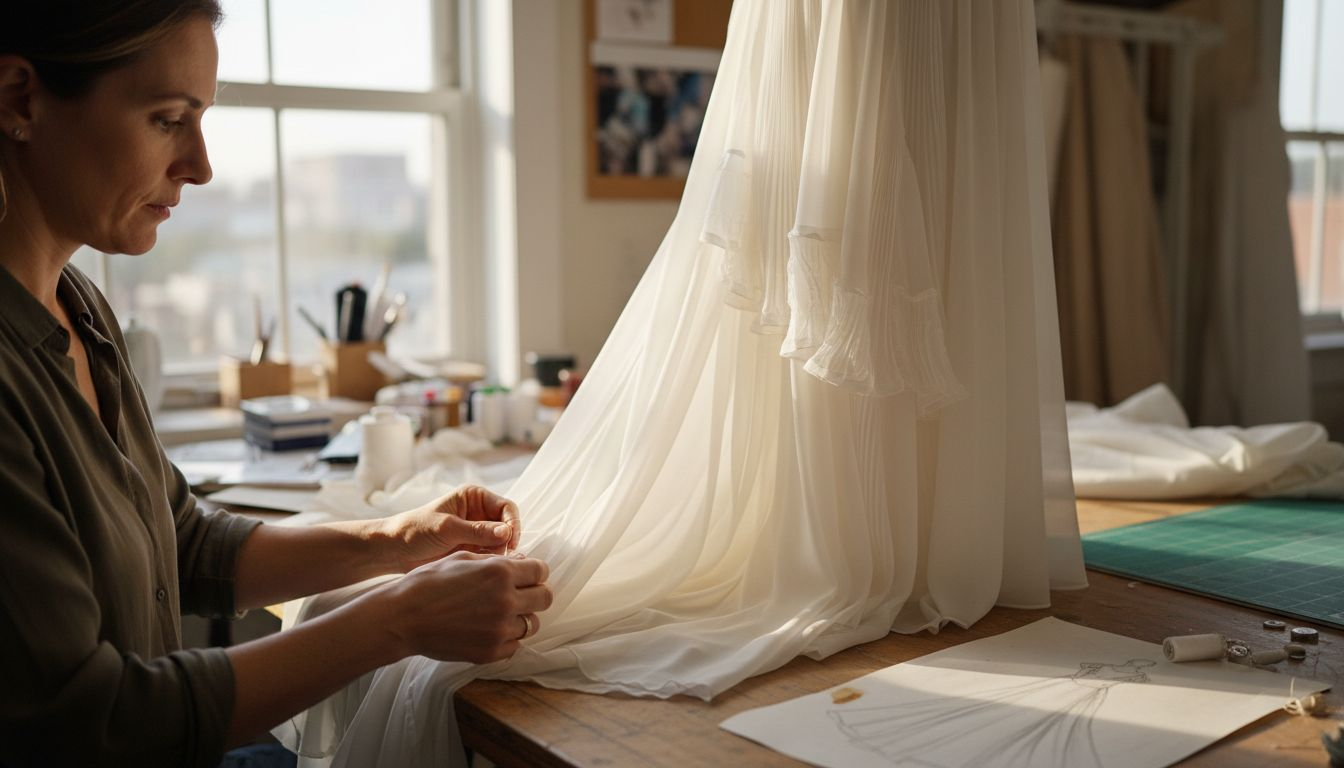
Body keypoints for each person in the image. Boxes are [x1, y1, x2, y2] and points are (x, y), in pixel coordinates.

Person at [0, 2, 553, 766]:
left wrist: (396, 541)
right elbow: (94, 720)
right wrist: (395, 620)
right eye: (167, 119)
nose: (200, 164)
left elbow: (186, 541)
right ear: (20, 99)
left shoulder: (82, 310)